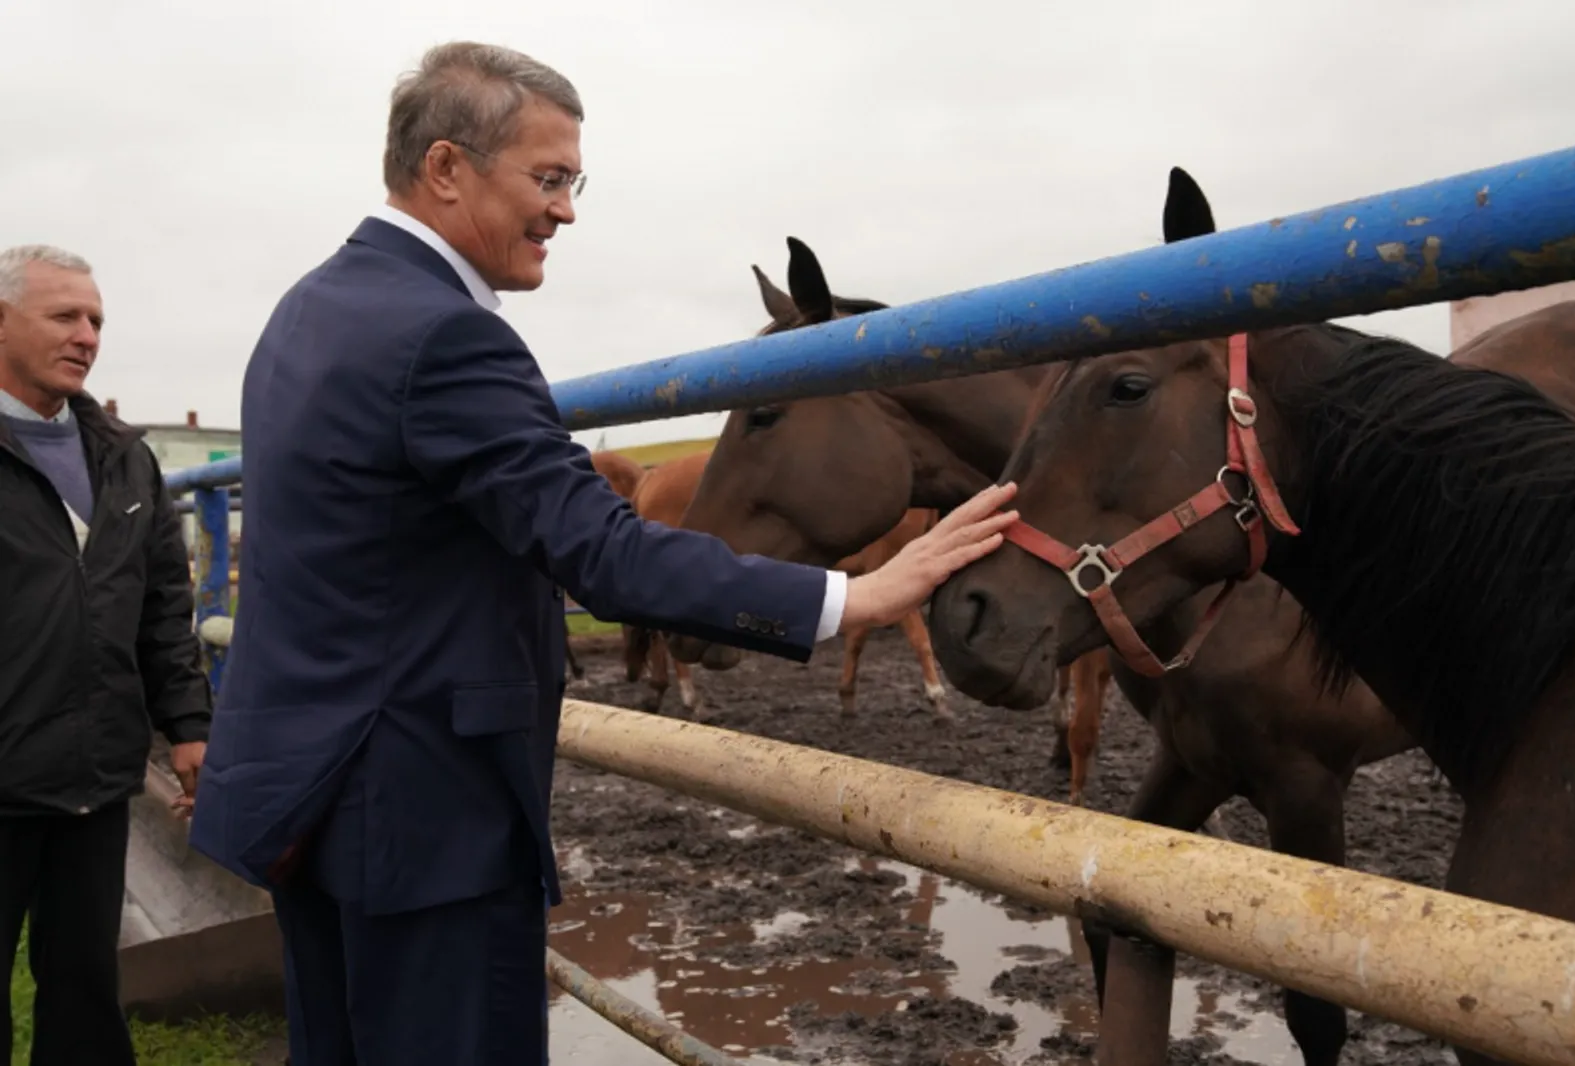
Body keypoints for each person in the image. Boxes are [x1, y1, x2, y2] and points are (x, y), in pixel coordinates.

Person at [186, 41, 1017, 1066]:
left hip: (311, 794)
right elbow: (604, 551)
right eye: (547, 179)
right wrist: (852, 594)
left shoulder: (305, 310)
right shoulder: (447, 336)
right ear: (447, 168)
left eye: (574, 183)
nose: (567, 210)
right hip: (424, 818)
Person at [0, 244, 213, 1065]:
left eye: (95, 320)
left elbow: (164, 607)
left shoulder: (127, 456)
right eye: (64, 316)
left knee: (87, 986)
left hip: (94, 776)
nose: (86, 335)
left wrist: (189, 726)